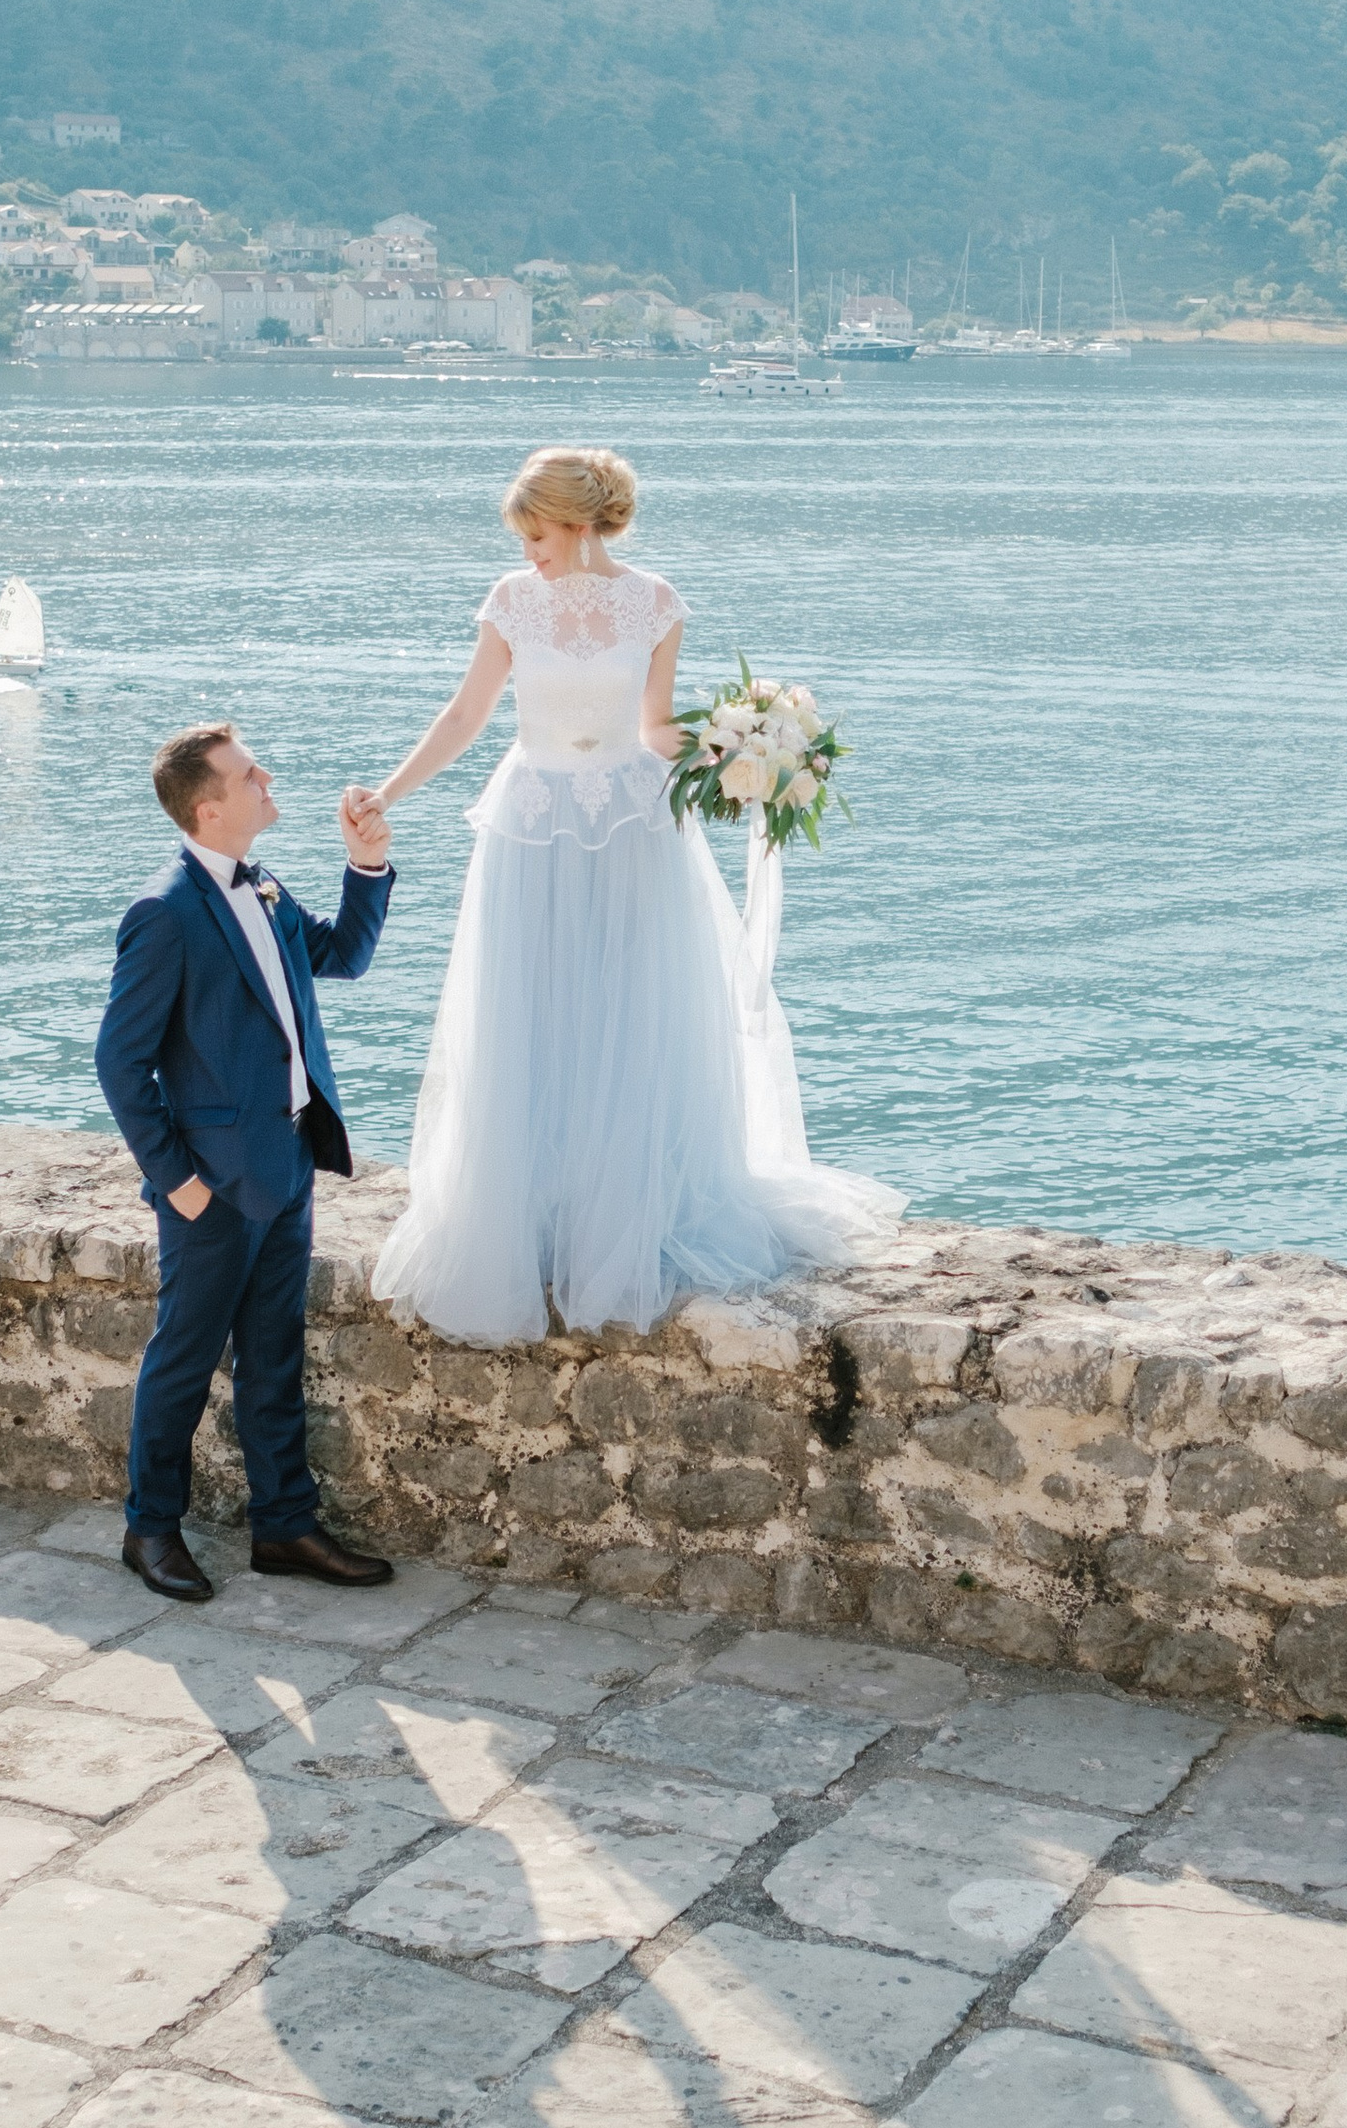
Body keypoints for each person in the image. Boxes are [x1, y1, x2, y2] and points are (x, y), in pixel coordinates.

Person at [361, 445, 898, 1345]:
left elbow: (653, 727)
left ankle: (625, 1213)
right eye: (521, 536)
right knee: (530, 1011)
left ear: (577, 525)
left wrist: (742, 752)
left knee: (630, 1012)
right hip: (530, 826)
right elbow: (466, 715)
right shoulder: (509, 601)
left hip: (631, 827)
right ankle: (530, 1211)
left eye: (536, 534)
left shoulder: (654, 602)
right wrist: (387, 793)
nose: (526, 549)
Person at [94, 724, 395, 1603]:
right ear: (208, 805)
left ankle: (285, 1526)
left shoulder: (263, 885)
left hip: (287, 1163)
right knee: (182, 1360)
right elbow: (121, 1062)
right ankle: (149, 1528)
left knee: (274, 1355)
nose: (267, 779)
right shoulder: (163, 912)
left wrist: (366, 867)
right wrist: (178, 1179)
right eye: (248, 772)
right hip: (212, 1188)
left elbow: (342, 957)